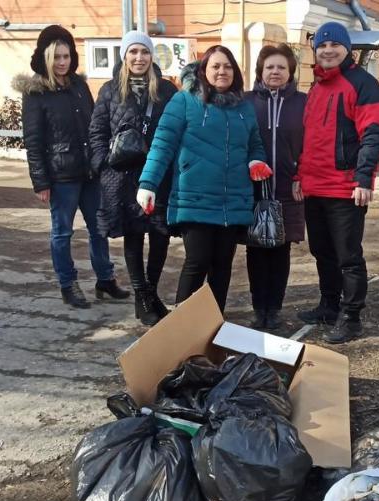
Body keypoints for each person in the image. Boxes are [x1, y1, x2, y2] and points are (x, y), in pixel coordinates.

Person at [136, 45, 270, 312]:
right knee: (197, 262)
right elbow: (162, 144)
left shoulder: (243, 107)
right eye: (216, 66)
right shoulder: (184, 101)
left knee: (222, 267)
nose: (222, 71)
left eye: (228, 66)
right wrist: (147, 183)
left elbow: (255, 143)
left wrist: (257, 159)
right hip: (194, 198)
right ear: (203, 71)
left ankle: (212, 326)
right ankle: (181, 330)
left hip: (232, 201)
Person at [15, 25, 129, 309]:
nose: (62, 62)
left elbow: (95, 126)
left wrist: (101, 162)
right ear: (46, 58)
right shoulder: (36, 93)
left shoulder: (78, 86)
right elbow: (33, 140)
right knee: (62, 233)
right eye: (56, 57)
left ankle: (105, 280)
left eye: (66, 56)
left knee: (98, 229)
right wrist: (40, 181)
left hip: (89, 172)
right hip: (60, 176)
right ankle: (68, 284)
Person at [296, 22, 379, 344]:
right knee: (323, 253)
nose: (328, 50)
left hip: (345, 188)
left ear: (347, 49)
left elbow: (374, 135)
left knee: (348, 257)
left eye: (335, 44)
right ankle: (328, 305)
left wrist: (364, 178)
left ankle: (350, 318)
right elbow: (308, 140)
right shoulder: (316, 88)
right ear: (316, 50)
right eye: (322, 45)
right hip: (314, 188)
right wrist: (299, 177)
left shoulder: (363, 85)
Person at [89, 31, 178, 325]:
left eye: (144, 52)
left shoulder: (166, 91)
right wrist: (102, 164)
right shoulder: (110, 90)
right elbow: (97, 131)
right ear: (124, 56)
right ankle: (141, 296)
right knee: (134, 234)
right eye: (133, 52)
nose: (139, 58)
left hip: (158, 175)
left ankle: (151, 294)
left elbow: (178, 130)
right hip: (124, 177)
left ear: (151, 56)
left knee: (160, 234)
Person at [246, 44, 307, 330]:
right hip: (254, 187)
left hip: (287, 187)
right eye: (269, 66)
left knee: (280, 249)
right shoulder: (245, 102)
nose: (275, 71)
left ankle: (275, 308)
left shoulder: (302, 103)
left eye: (281, 67)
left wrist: (301, 174)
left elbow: (311, 144)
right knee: (256, 248)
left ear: (290, 72)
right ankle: (259, 307)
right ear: (260, 71)